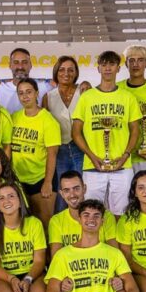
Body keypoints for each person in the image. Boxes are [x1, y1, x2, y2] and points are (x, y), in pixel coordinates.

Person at [72, 51, 141, 217]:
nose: (107, 68)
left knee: (122, 214)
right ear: (98, 68)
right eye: (104, 64)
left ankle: (118, 243)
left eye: (111, 64)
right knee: (92, 214)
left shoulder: (128, 97)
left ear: (118, 68)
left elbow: (135, 131)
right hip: (93, 166)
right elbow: (76, 132)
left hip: (122, 166)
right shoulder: (87, 97)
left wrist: (125, 156)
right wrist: (92, 156)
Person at [11, 77, 61, 229]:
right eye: (21, 93)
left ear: (36, 93)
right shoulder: (14, 117)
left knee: (45, 224)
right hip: (19, 180)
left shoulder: (48, 120)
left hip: (40, 179)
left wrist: (47, 182)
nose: (25, 96)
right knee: (24, 224)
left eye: (29, 92)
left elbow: (52, 154)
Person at [42, 56, 89, 211]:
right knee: (64, 192)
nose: (66, 73)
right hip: (59, 151)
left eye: (71, 70)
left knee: (82, 189)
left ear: (76, 73)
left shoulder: (84, 92)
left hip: (81, 148)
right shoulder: (48, 97)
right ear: (56, 72)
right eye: (62, 69)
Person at [118, 45, 146, 172]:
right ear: (126, 64)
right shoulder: (117, 88)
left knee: (145, 191)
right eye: (131, 60)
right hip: (119, 156)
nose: (135, 64)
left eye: (140, 60)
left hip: (144, 157)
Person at [0, 47, 54, 113]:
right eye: (16, 62)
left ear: (30, 65)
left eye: (24, 62)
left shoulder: (45, 88)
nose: (20, 66)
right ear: (10, 65)